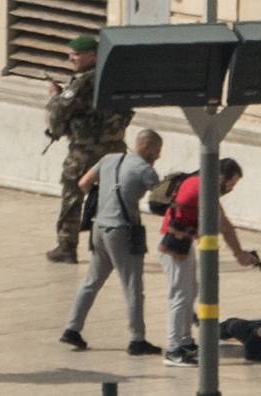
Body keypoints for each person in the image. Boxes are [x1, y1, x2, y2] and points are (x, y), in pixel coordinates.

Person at [60, 129, 163, 355]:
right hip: (123, 231)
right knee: (132, 286)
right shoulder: (145, 169)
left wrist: (100, 198)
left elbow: (84, 182)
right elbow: (162, 197)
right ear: (146, 147)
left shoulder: (109, 159)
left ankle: (72, 328)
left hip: (99, 227)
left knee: (92, 281)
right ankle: (137, 339)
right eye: (156, 151)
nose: (158, 156)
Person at [158, 158, 258, 367]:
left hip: (181, 242)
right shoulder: (205, 187)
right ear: (222, 176)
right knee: (180, 295)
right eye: (231, 183)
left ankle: (184, 342)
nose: (230, 188)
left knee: (188, 292)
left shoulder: (201, 182)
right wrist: (239, 253)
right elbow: (224, 225)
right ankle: (173, 350)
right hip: (173, 243)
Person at [45, 35, 134, 264]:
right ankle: (116, 246)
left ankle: (66, 246)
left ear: (92, 55)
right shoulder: (116, 77)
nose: (71, 58)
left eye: (76, 54)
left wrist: (54, 97)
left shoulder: (83, 82)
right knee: (114, 198)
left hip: (86, 150)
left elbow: (59, 114)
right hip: (115, 148)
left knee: (72, 194)